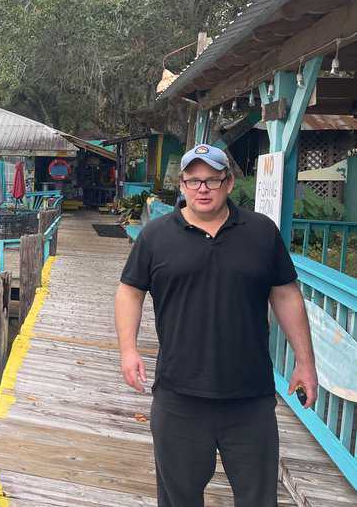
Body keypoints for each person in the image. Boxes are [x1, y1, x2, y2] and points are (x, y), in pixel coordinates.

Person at [114, 143, 318, 507]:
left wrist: (305, 362)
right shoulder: (156, 236)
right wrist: (128, 350)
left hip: (250, 398)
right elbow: (130, 291)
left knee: (258, 499)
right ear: (182, 185)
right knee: (179, 499)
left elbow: (285, 294)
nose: (202, 188)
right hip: (178, 397)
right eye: (193, 181)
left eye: (211, 179)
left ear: (228, 182)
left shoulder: (261, 232)